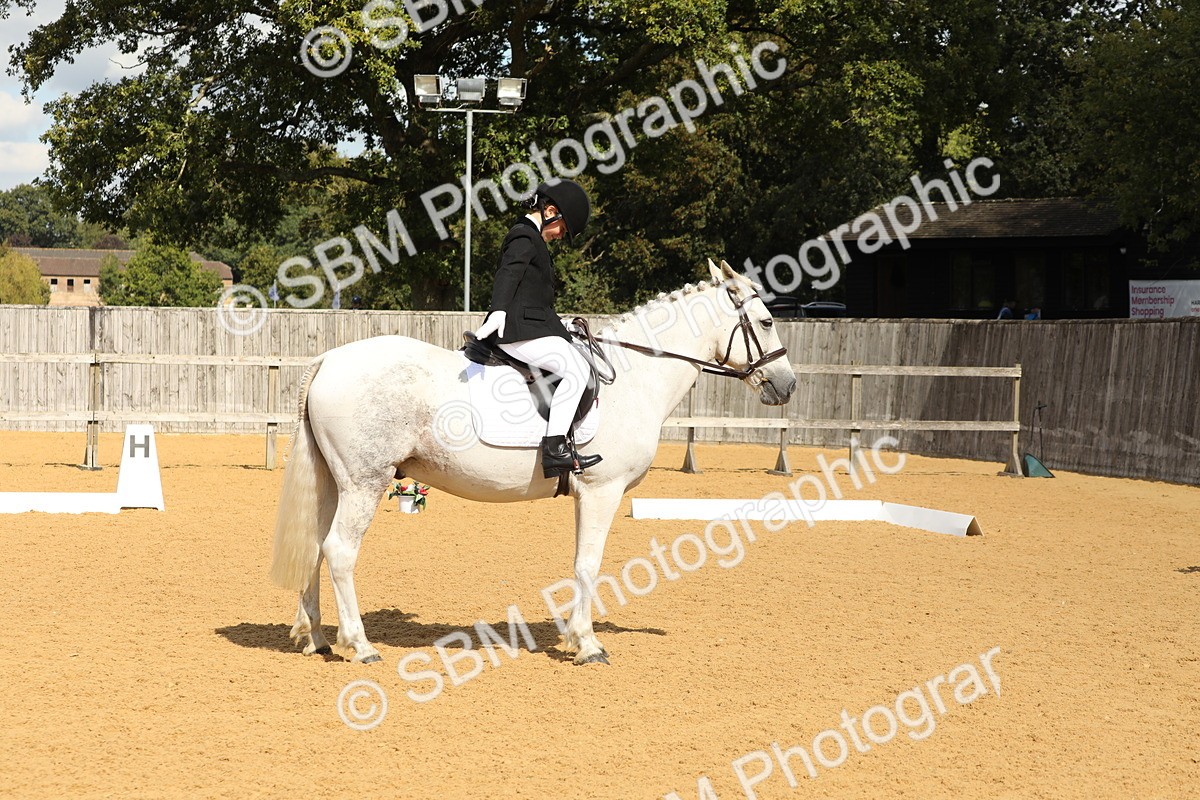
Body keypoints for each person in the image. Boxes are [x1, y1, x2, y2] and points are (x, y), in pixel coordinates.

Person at [472, 179, 602, 479]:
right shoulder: (524, 235)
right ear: (550, 211)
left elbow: (535, 300)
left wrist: (562, 327)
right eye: (563, 229)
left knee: (576, 361)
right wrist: (498, 310)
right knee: (577, 370)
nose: (560, 236)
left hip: (529, 326)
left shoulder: (533, 238)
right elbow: (509, 273)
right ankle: (555, 449)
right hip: (516, 330)